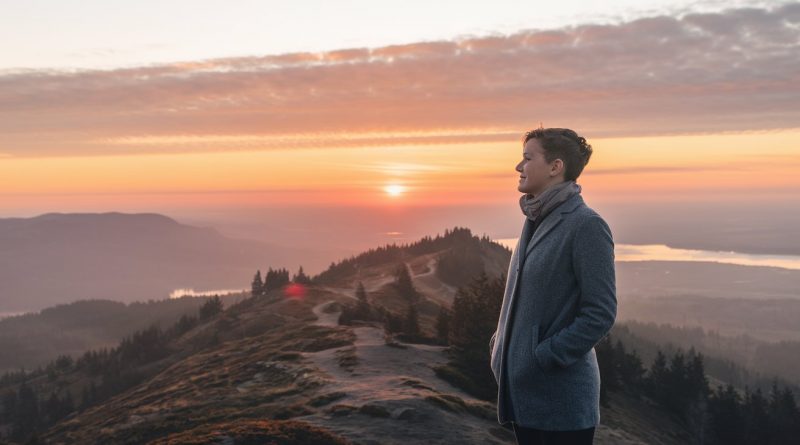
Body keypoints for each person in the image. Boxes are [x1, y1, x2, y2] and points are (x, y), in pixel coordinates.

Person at [489, 128, 617, 445]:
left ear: (555, 167)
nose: (519, 167)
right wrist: (500, 345)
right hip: (526, 396)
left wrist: (543, 356)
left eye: (527, 158)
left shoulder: (586, 224)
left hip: (562, 400)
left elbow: (600, 313)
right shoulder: (535, 218)